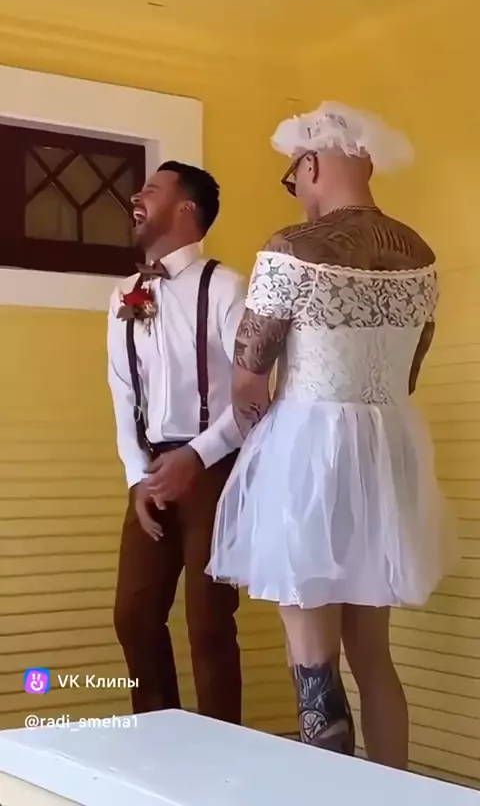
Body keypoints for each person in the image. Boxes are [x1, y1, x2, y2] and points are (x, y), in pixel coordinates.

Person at [207, 103, 456, 767]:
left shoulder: (290, 249)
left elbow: (249, 378)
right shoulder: (421, 257)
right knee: (373, 655)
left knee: (312, 657)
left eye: (294, 175)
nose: (297, 189)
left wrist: (265, 451)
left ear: (311, 164)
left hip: (307, 453)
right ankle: (396, 792)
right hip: (387, 455)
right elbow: (408, 373)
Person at [108, 161, 244, 722]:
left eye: (151, 189)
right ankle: (157, 739)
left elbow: (254, 398)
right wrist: (136, 477)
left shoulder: (228, 286)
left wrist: (198, 455)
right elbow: (122, 391)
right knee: (133, 616)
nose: (135, 197)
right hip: (152, 472)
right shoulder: (124, 294)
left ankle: (223, 752)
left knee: (209, 622)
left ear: (186, 208)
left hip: (216, 468)